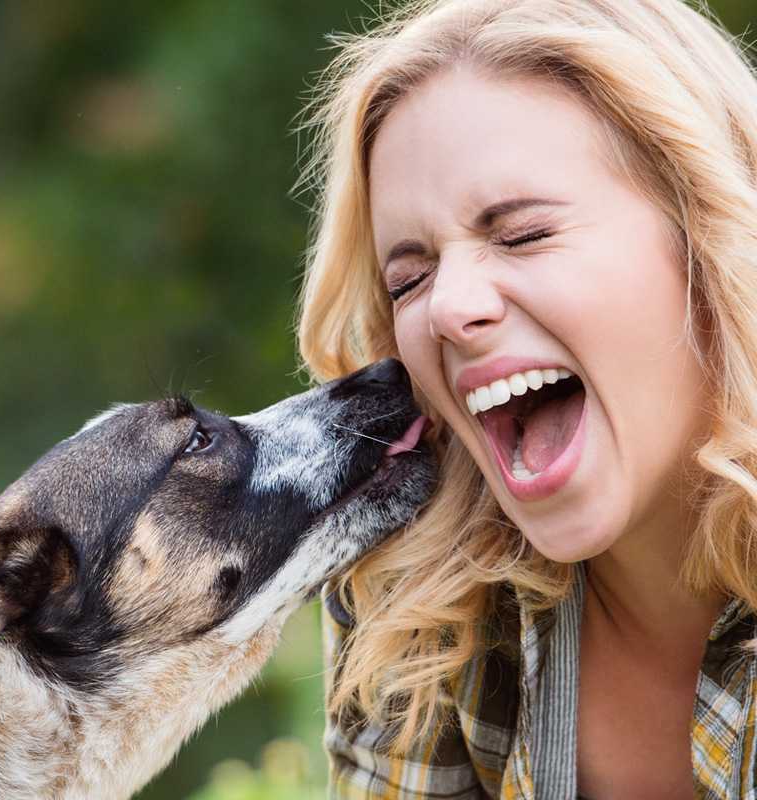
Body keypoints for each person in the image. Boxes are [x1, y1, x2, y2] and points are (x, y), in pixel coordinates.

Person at [294, 0, 757, 797]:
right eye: (409, 278)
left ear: (708, 234)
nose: (446, 307)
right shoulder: (419, 604)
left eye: (522, 235)